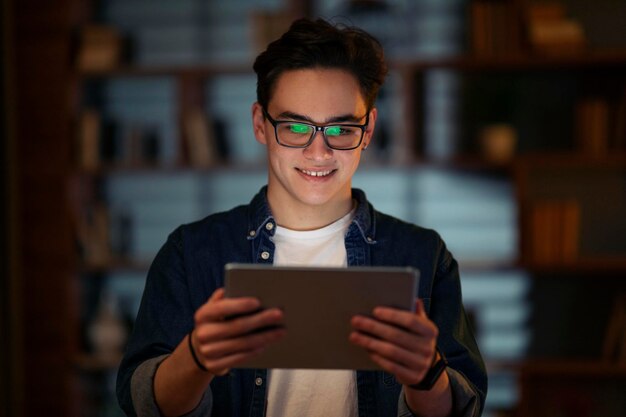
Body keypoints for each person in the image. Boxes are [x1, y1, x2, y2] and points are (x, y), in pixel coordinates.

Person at [117, 17, 487, 417]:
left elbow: (461, 408)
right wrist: (195, 357)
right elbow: (144, 404)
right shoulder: (191, 253)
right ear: (260, 124)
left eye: (341, 129)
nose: (319, 152)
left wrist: (426, 376)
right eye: (295, 126)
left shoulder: (424, 255)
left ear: (368, 130)